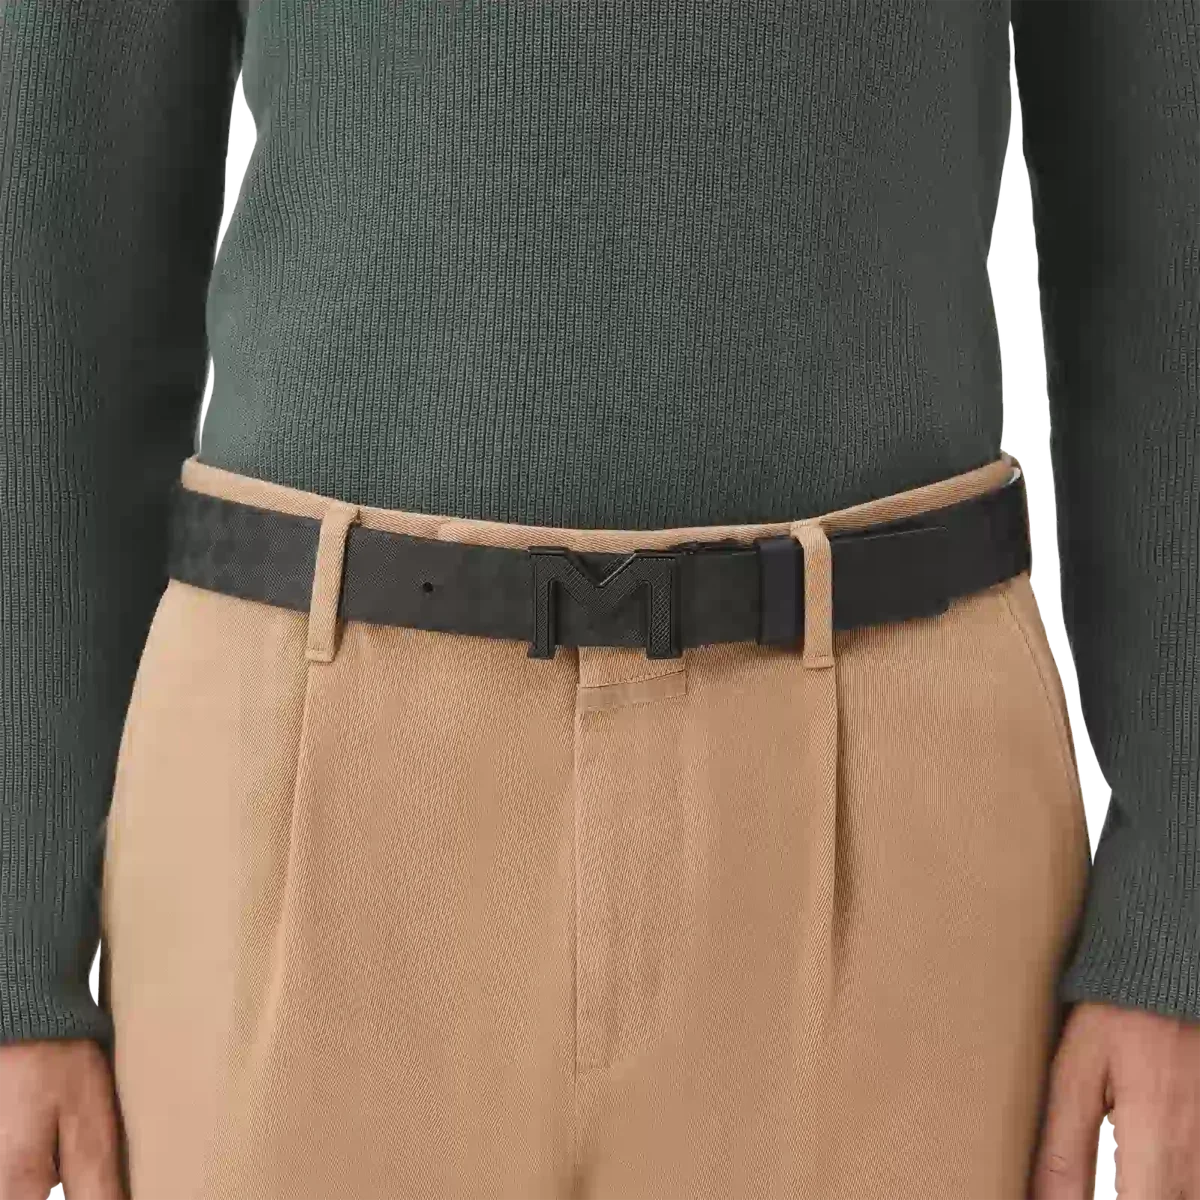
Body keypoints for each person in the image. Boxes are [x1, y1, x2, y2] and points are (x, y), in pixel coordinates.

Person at [1, 0, 1197, 1197]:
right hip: (306, 792)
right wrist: (17, 943)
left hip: (890, 797)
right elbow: (58, 200)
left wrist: (1180, 899)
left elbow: (1166, 169)